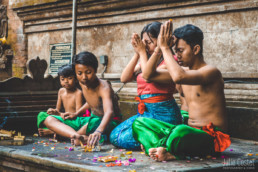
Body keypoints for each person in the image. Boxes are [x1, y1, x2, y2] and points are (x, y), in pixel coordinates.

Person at [132, 21, 231, 161]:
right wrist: (159, 48)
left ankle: (162, 148)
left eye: (180, 50)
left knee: (180, 130)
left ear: (196, 49)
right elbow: (148, 75)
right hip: (186, 134)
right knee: (139, 123)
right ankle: (162, 150)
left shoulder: (211, 72)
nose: (177, 55)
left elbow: (178, 77)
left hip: (210, 139)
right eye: (175, 50)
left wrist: (166, 48)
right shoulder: (182, 71)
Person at [110, 21, 182, 150]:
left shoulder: (170, 61)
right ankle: (153, 140)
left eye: (149, 42)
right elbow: (124, 78)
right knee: (115, 135)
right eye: (143, 43)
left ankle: (159, 141)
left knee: (119, 138)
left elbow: (148, 76)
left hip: (163, 113)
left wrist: (143, 53)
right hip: (145, 112)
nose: (145, 46)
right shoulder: (146, 60)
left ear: (160, 41)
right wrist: (137, 52)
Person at [39, 51, 122, 147]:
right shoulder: (82, 83)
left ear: (95, 70)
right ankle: (74, 135)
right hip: (91, 119)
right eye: (79, 73)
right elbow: (91, 102)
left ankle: (78, 136)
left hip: (108, 121)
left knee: (87, 130)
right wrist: (76, 114)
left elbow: (109, 112)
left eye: (88, 72)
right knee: (48, 119)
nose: (84, 77)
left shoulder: (104, 87)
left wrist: (98, 131)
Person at [37, 64, 84, 137]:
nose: (66, 81)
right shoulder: (61, 91)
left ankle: (53, 131)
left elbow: (78, 115)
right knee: (41, 115)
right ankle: (58, 131)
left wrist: (59, 114)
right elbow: (57, 109)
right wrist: (53, 111)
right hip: (63, 118)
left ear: (76, 79)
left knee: (55, 121)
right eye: (63, 79)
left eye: (70, 78)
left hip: (74, 121)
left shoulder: (78, 93)